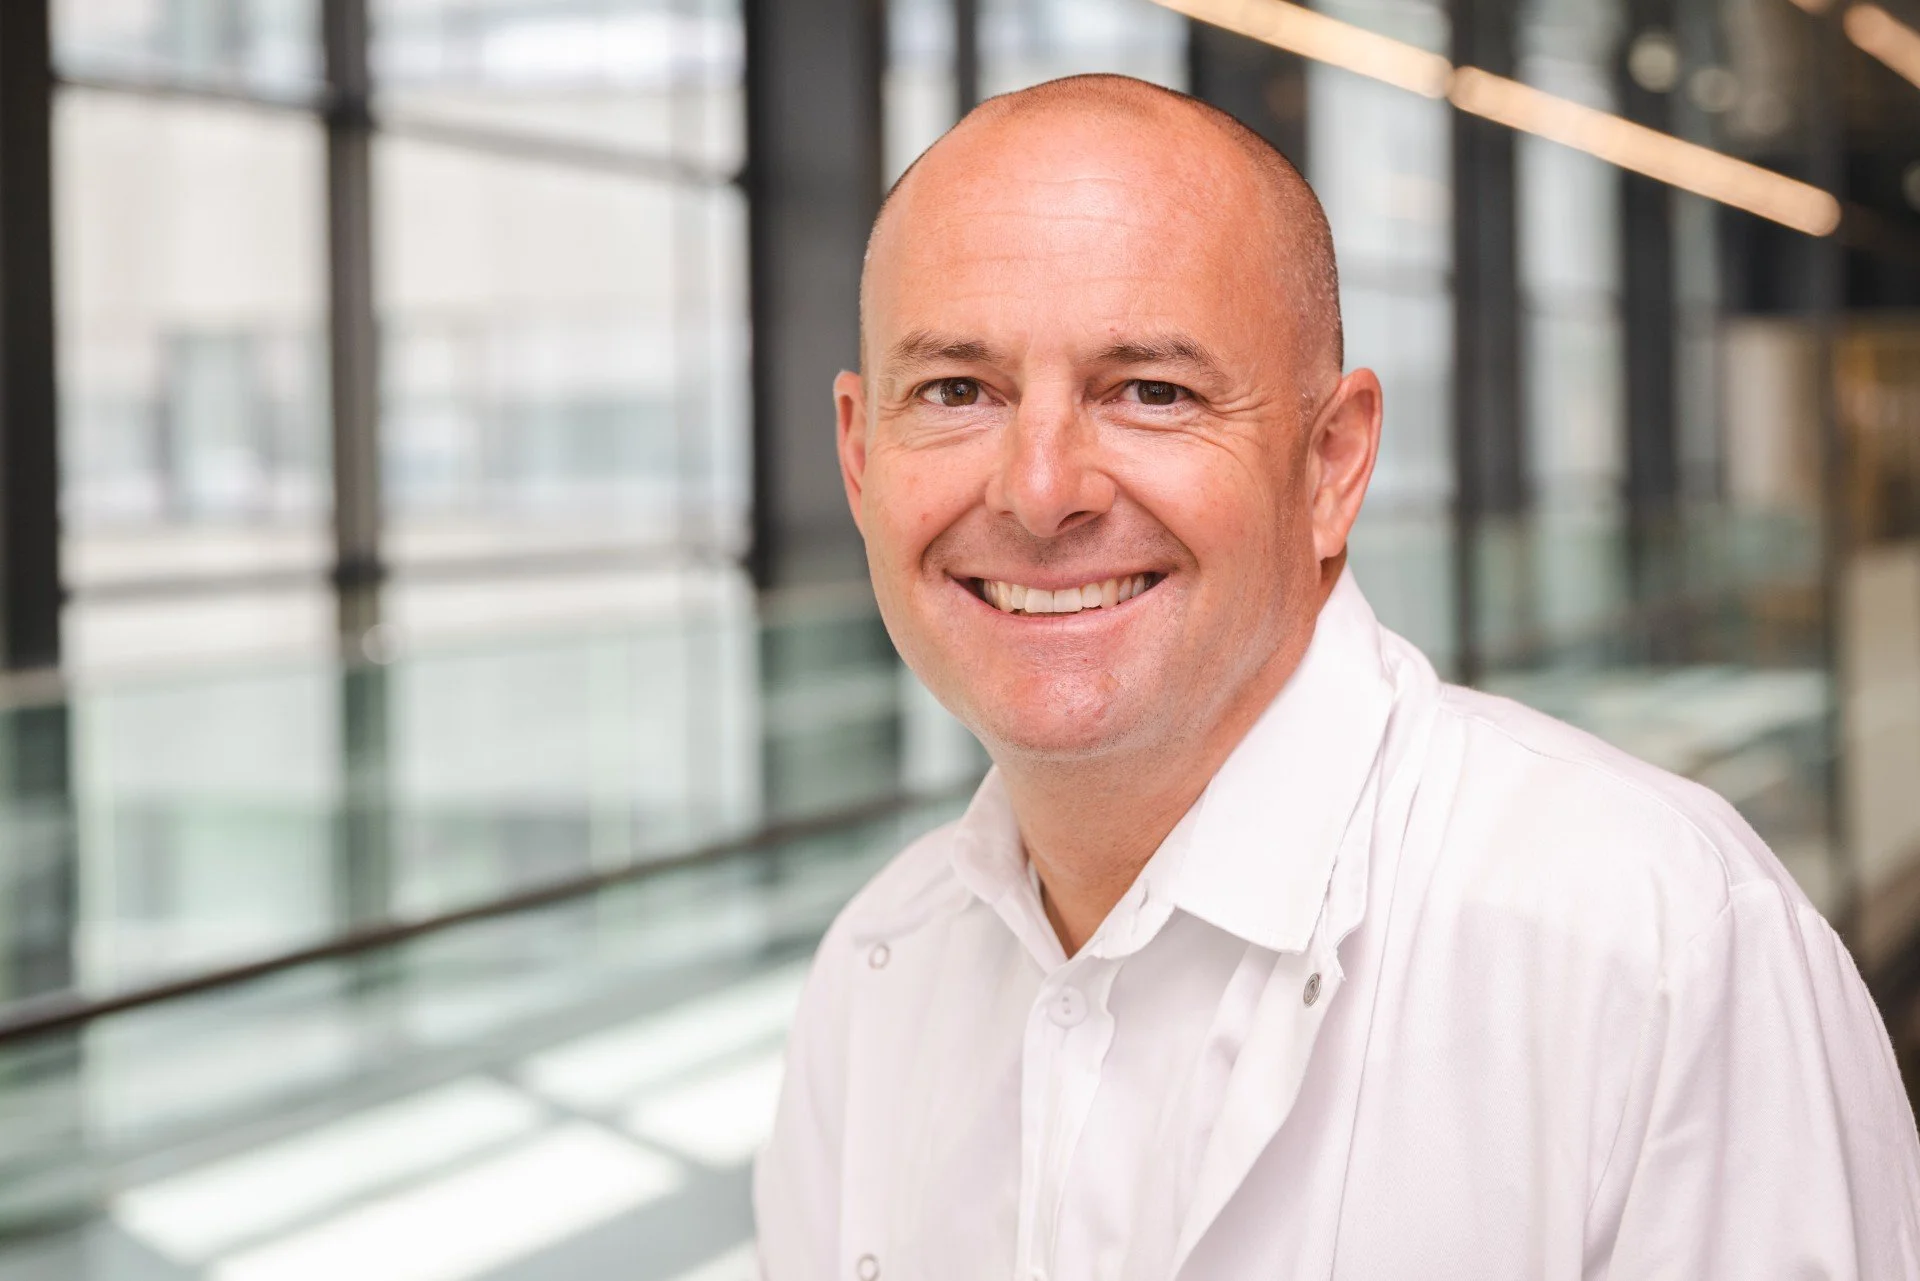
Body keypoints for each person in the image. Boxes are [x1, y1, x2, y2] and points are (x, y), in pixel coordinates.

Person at [752, 73, 1920, 1279]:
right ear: (858, 456)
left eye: (1151, 392)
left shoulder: (1657, 947)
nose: (1040, 490)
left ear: (1332, 464)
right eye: (956, 392)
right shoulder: (877, 976)